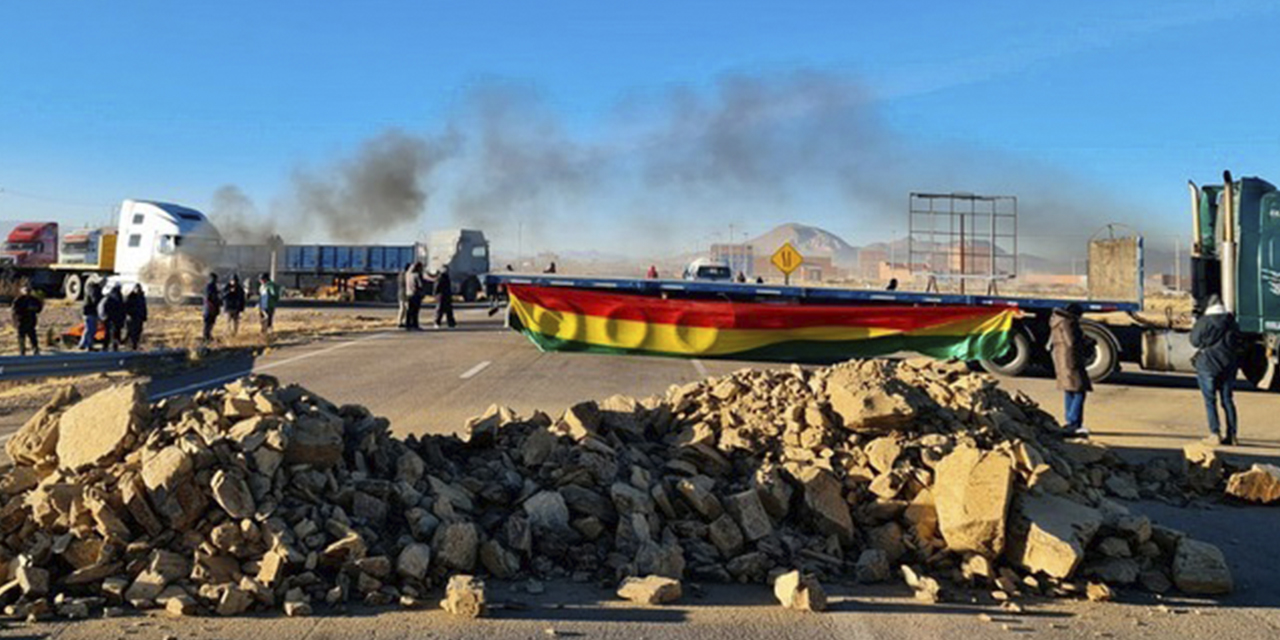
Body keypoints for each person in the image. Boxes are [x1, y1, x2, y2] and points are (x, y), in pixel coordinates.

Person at [1191, 294, 1241, 445]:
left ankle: (1215, 433)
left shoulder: (1204, 322)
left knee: (1210, 401)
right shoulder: (1231, 321)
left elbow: (1194, 341)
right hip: (1229, 364)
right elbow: (1238, 340)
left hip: (1208, 364)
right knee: (1227, 400)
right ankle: (1232, 435)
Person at [1050, 303, 1093, 437]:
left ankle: (1070, 421)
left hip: (1061, 359)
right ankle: (1074, 423)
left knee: (1069, 390)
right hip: (1070, 360)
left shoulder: (1056, 320)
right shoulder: (1068, 322)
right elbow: (1071, 342)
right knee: (1080, 391)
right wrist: (1086, 343)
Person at [11, 285, 43, 356]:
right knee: (21, 337)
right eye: (26, 291)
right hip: (21, 322)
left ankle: (35, 350)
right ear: (22, 291)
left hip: (31, 322)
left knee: (33, 337)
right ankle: (22, 351)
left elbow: (39, 308)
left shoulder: (34, 300)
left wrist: (34, 308)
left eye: (29, 291)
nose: (27, 292)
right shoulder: (18, 300)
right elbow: (15, 311)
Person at [99, 283, 126, 352]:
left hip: (111, 319)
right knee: (114, 334)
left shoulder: (110, 296)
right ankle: (112, 347)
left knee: (109, 334)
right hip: (114, 319)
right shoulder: (117, 297)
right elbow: (121, 309)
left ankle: (106, 347)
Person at [78, 282, 103, 351]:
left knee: (89, 329)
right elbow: (95, 300)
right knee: (91, 329)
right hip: (91, 312)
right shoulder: (94, 291)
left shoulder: (89, 291)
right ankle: (87, 345)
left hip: (88, 312)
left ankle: (83, 344)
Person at [125, 283, 148, 350]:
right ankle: (132, 345)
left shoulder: (142, 297)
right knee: (132, 331)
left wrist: (144, 316)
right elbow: (127, 306)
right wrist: (128, 314)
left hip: (139, 317)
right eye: (136, 288)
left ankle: (135, 344)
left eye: (139, 288)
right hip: (132, 317)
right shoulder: (131, 297)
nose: (137, 290)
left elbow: (144, 307)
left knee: (138, 331)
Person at [202, 273, 221, 342]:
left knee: (211, 323)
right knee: (208, 323)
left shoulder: (213, 287)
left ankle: (208, 336)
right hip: (209, 308)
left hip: (212, 308)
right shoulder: (209, 287)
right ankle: (206, 336)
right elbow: (207, 299)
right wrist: (212, 307)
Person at [396, 263, 411, 328]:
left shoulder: (401, 274)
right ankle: (400, 321)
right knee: (404, 308)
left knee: (403, 308)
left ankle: (400, 321)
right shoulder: (405, 275)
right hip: (404, 293)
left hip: (402, 293)